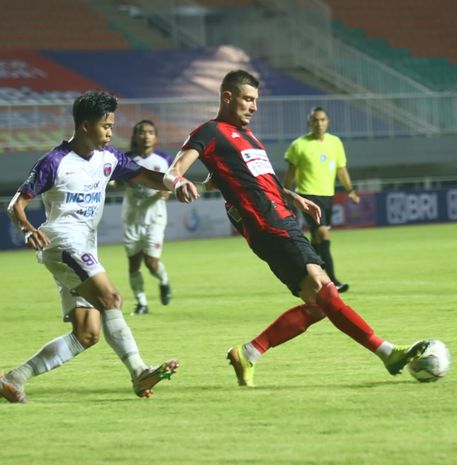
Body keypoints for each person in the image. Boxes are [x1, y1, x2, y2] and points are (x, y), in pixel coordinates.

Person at [164, 69, 429, 387]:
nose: (254, 106)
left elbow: (259, 180)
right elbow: (176, 169)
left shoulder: (249, 137)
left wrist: (294, 197)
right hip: (267, 224)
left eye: (256, 100)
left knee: (319, 306)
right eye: (248, 99)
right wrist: (178, 182)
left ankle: (249, 352)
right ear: (227, 97)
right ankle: (388, 354)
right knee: (324, 288)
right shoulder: (210, 132)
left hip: (281, 219)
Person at [0, 91, 196, 403]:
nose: (110, 132)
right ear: (86, 125)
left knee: (87, 335)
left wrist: (177, 183)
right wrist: (27, 229)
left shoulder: (110, 158)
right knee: (111, 298)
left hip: (79, 247)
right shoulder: (54, 162)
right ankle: (138, 371)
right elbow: (16, 204)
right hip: (62, 242)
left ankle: (13, 378)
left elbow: (148, 177)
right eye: (106, 126)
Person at [283, 107, 359, 293]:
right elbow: (291, 173)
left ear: (328, 121)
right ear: (310, 123)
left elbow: (341, 169)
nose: (319, 123)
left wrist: (350, 190)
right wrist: (283, 194)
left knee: (317, 238)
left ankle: (312, 276)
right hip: (307, 195)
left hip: (327, 195)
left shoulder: (335, 143)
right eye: (315, 120)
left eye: (323, 119)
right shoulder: (299, 145)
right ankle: (332, 281)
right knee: (323, 233)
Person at [121, 120, 173, 315]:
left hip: (155, 217)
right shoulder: (126, 159)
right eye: (142, 132)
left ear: (156, 136)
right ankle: (141, 303)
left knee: (151, 262)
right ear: (135, 136)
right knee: (134, 263)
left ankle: (164, 280)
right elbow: (116, 181)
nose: (146, 136)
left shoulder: (164, 159)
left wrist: (169, 190)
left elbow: (171, 183)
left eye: (150, 132)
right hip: (132, 217)